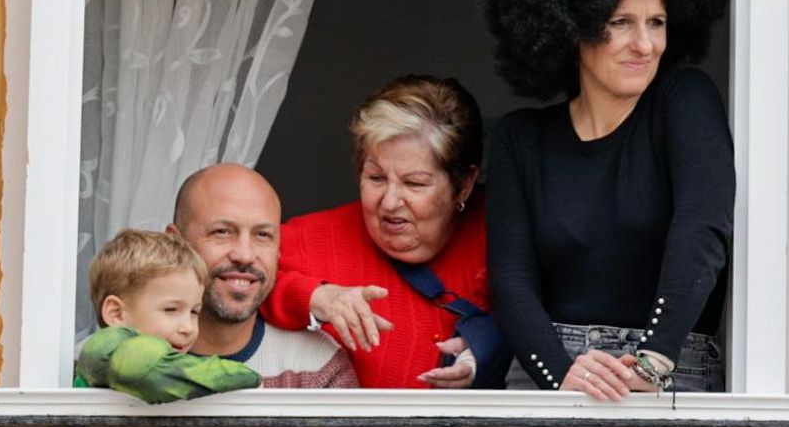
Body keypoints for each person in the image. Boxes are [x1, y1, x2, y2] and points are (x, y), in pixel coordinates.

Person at [482, 0, 734, 400]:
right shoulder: (521, 139)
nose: (644, 44)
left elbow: (703, 230)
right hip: (547, 371)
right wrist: (561, 373)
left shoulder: (682, 100)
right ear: (569, 25)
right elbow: (511, 279)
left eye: (657, 22)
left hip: (670, 370)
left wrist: (654, 359)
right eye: (620, 22)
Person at [261, 75, 510, 389]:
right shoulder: (312, 239)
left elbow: (553, 313)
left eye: (414, 183)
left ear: (464, 185)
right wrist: (313, 296)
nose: (390, 203)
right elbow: (215, 277)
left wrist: (483, 350)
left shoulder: (504, 232)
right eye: (376, 178)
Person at [168, 163, 359, 389]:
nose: (245, 255)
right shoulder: (123, 358)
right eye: (222, 231)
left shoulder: (317, 364)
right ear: (175, 243)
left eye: (262, 235)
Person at [75, 228, 262, 403]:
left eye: (194, 312)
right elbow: (159, 373)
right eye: (171, 310)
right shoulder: (109, 348)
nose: (188, 328)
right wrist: (247, 376)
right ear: (116, 313)